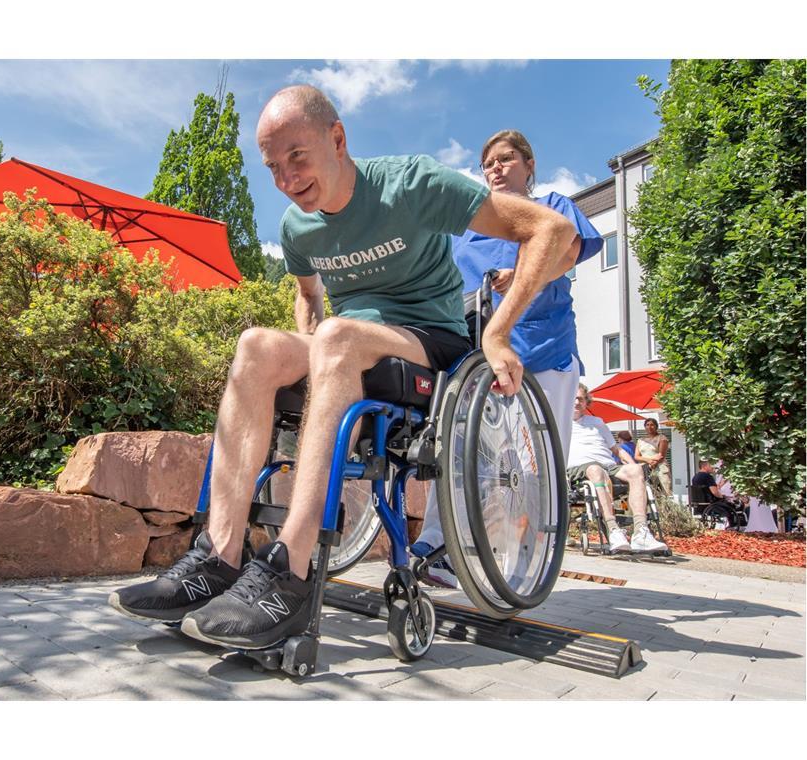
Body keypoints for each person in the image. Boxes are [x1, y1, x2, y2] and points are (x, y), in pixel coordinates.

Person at [108, 85, 578, 649]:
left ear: (337, 138)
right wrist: (306, 364)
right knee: (258, 344)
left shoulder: (410, 184)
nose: (286, 178)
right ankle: (219, 555)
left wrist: (499, 331)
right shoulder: (297, 227)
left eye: (297, 157)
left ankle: (293, 571)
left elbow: (551, 230)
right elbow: (308, 299)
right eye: (274, 167)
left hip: (431, 347)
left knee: (336, 335)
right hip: (347, 346)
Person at [411, 129, 602, 585]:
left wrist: (522, 274)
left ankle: (529, 566)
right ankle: (440, 545)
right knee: (456, 450)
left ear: (528, 165)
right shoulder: (468, 230)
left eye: (506, 159)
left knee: (538, 467)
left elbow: (568, 250)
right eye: (488, 163)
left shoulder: (553, 206)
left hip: (541, 349)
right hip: (477, 355)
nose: (496, 168)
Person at [568, 384, 669, 554]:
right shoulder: (559, 423)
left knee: (636, 471)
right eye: (573, 397)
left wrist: (632, 464)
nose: (577, 401)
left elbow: (617, 450)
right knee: (595, 470)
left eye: (581, 398)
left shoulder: (597, 423)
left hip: (609, 467)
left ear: (586, 402)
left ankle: (641, 532)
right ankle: (613, 529)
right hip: (580, 469)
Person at [636, 418, 672, 497]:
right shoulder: (641, 440)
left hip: (660, 468)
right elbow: (637, 456)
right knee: (648, 493)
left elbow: (661, 455)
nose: (649, 427)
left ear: (656, 426)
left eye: (652, 425)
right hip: (645, 469)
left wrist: (653, 462)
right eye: (647, 425)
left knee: (665, 493)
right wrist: (648, 461)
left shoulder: (662, 438)